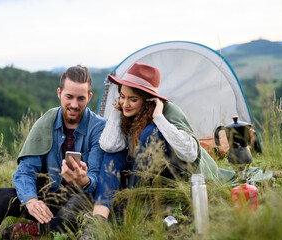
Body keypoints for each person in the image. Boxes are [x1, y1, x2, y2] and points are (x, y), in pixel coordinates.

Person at [0, 65, 106, 240]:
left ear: (89, 97)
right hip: (50, 197)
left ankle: (34, 230)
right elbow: (25, 171)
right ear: (59, 93)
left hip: (80, 201)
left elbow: (96, 179)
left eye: (80, 98)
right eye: (69, 97)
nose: (74, 104)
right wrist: (31, 200)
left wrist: (83, 180)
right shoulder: (46, 122)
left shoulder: (98, 127)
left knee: (78, 206)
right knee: (0, 196)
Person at [85, 62, 218, 226]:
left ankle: (129, 205)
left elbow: (190, 153)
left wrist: (159, 118)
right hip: (146, 174)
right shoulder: (127, 112)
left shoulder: (169, 111)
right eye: (122, 97)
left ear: (148, 100)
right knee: (114, 155)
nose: (125, 103)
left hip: (178, 173)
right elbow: (109, 146)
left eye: (132, 99)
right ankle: (97, 221)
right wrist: (116, 111)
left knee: (150, 132)